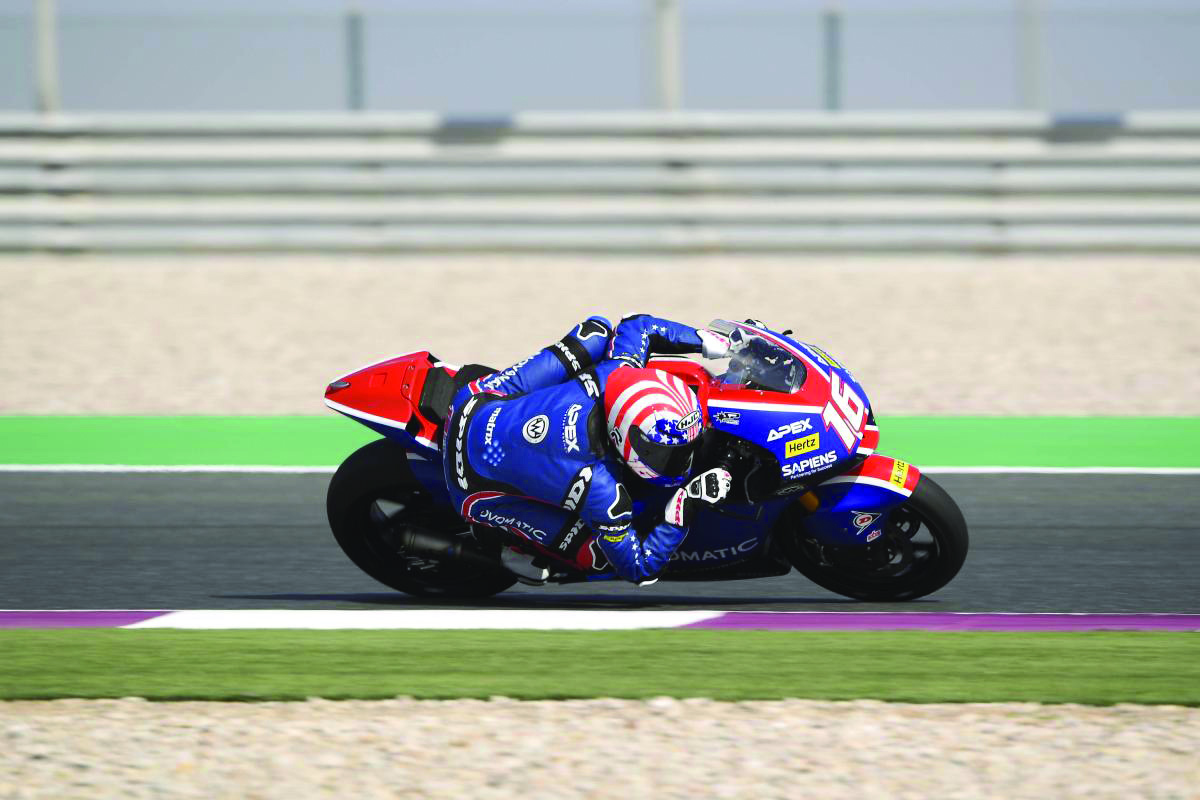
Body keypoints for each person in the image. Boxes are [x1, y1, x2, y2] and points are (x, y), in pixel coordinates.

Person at [442, 314, 734, 586]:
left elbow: (638, 325)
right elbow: (639, 569)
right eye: (668, 454)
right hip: (471, 487)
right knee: (598, 559)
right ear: (623, 437)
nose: (682, 461)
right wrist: (683, 506)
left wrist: (701, 338)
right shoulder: (603, 492)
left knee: (596, 331)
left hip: (472, 401)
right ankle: (511, 547)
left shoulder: (617, 370)